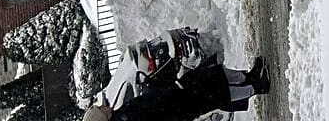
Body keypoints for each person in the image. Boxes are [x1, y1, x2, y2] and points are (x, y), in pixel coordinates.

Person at [83, 56, 270, 121]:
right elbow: (154, 108)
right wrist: (172, 91)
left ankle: (249, 77)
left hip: (177, 96)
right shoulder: (124, 118)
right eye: (100, 109)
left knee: (212, 74)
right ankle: (256, 87)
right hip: (179, 104)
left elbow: (149, 101)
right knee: (218, 93)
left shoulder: (120, 113)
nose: (103, 106)